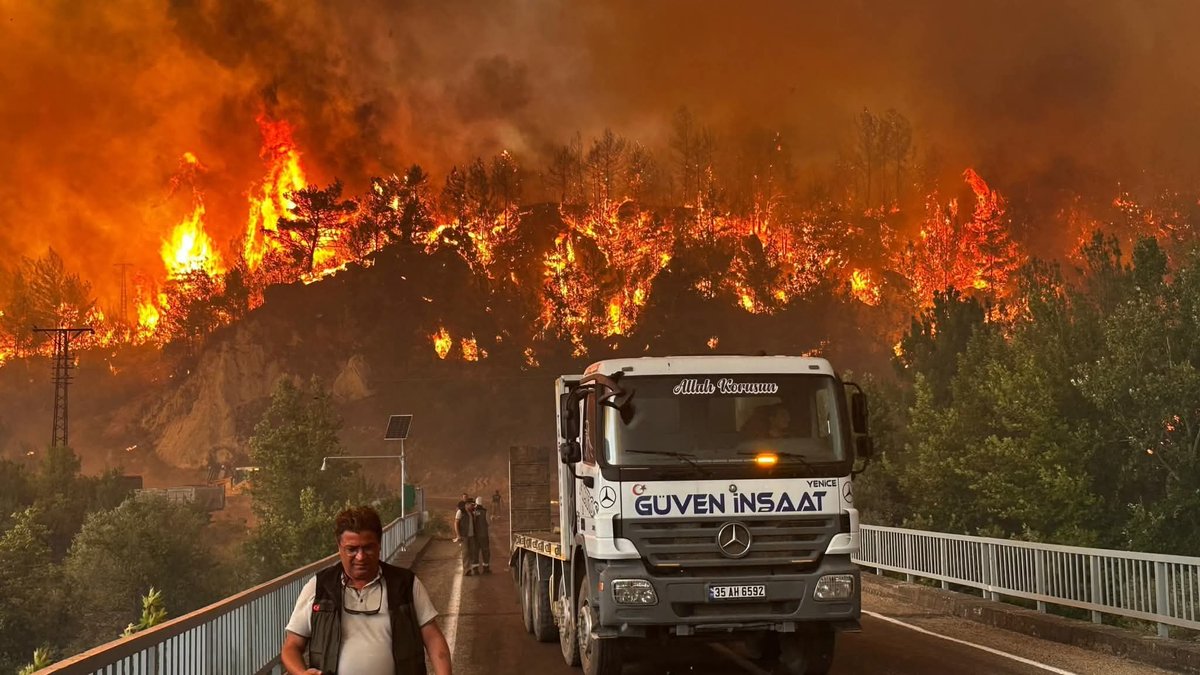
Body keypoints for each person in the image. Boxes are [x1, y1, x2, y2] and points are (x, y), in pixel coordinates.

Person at [281, 505, 452, 675]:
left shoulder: (406, 584)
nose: (360, 557)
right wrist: (301, 673)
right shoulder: (318, 587)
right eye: (352, 549)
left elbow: (433, 639)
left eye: (368, 547)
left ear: (379, 545)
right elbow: (291, 647)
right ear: (339, 547)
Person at [457, 501, 480, 575]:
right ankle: (467, 570)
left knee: (472, 552)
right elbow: (456, 523)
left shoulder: (471, 513)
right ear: (467, 505)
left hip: (472, 536)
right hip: (464, 536)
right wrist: (458, 535)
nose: (473, 506)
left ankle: (472, 569)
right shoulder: (460, 512)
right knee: (465, 552)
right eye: (471, 505)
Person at [472, 496, 491, 573]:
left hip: (475, 536)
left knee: (475, 551)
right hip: (484, 535)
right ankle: (486, 568)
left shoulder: (473, 512)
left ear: (476, 503)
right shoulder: (485, 512)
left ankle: (475, 569)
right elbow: (488, 522)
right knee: (485, 551)